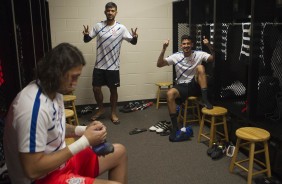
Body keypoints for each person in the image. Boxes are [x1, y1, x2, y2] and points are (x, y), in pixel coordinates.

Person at [3, 43, 128, 184]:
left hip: (60, 163)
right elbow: (32, 169)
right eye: (73, 77)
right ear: (56, 73)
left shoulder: (53, 92)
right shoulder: (32, 108)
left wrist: (83, 130)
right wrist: (85, 141)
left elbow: (56, 126)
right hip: (41, 178)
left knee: (120, 152)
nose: (75, 84)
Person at [82, 2, 138, 125]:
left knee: (113, 90)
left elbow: (133, 42)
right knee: (96, 89)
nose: (110, 13)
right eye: (108, 10)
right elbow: (87, 40)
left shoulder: (121, 28)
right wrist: (85, 35)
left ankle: (113, 112)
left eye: (112, 11)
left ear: (116, 12)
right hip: (99, 65)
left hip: (113, 66)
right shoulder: (98, 26)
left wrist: (135, 37)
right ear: (105, 12)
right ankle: (101, 109)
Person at [157, 35, 214, 142]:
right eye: (184, 44)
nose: (186, 46)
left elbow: (212, 58)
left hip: (194, 85)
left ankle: (206, 99)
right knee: (170, 94)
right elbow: (159, 64)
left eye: (188, 43)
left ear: (192, 45)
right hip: (181, 85)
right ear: (181, 45)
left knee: (201, 67)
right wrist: (164, 48)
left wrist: (209, 46)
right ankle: (175, 127)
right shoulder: (176, 56)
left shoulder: (199, 54)